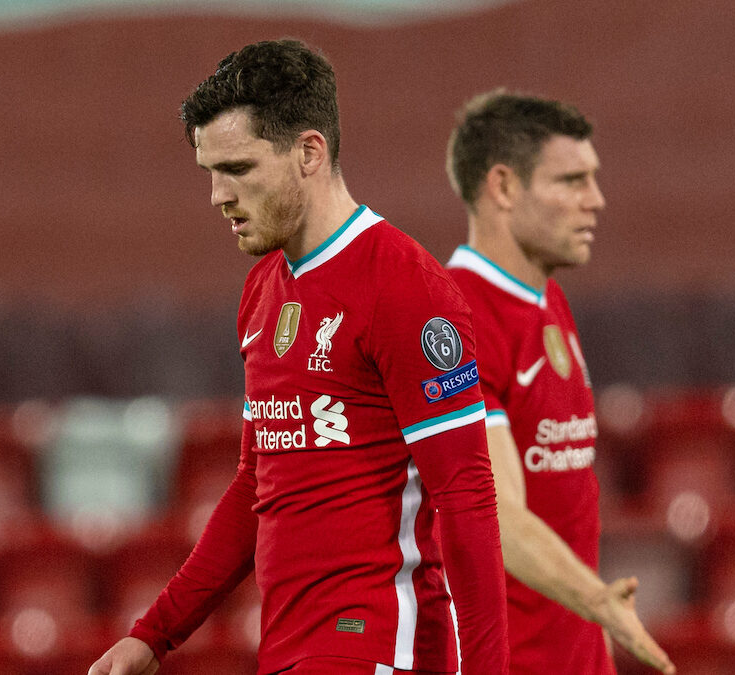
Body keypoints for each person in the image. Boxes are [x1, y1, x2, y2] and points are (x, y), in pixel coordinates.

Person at [87, 40, 509, 675]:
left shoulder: (404, 288)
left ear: (310, 152)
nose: (217, 196)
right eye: (210, 171)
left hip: (375, 645)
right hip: (291, 650)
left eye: (238, 168)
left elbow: (467, 496)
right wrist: (153, 635)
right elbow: (260, 484)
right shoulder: (262, 291)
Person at [443, 90, 675, 675]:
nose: (595, 201)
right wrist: (599, 600)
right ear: (503, 187)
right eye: (572, 180)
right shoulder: (454, 320)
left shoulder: (548, 301)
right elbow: (495, 514)